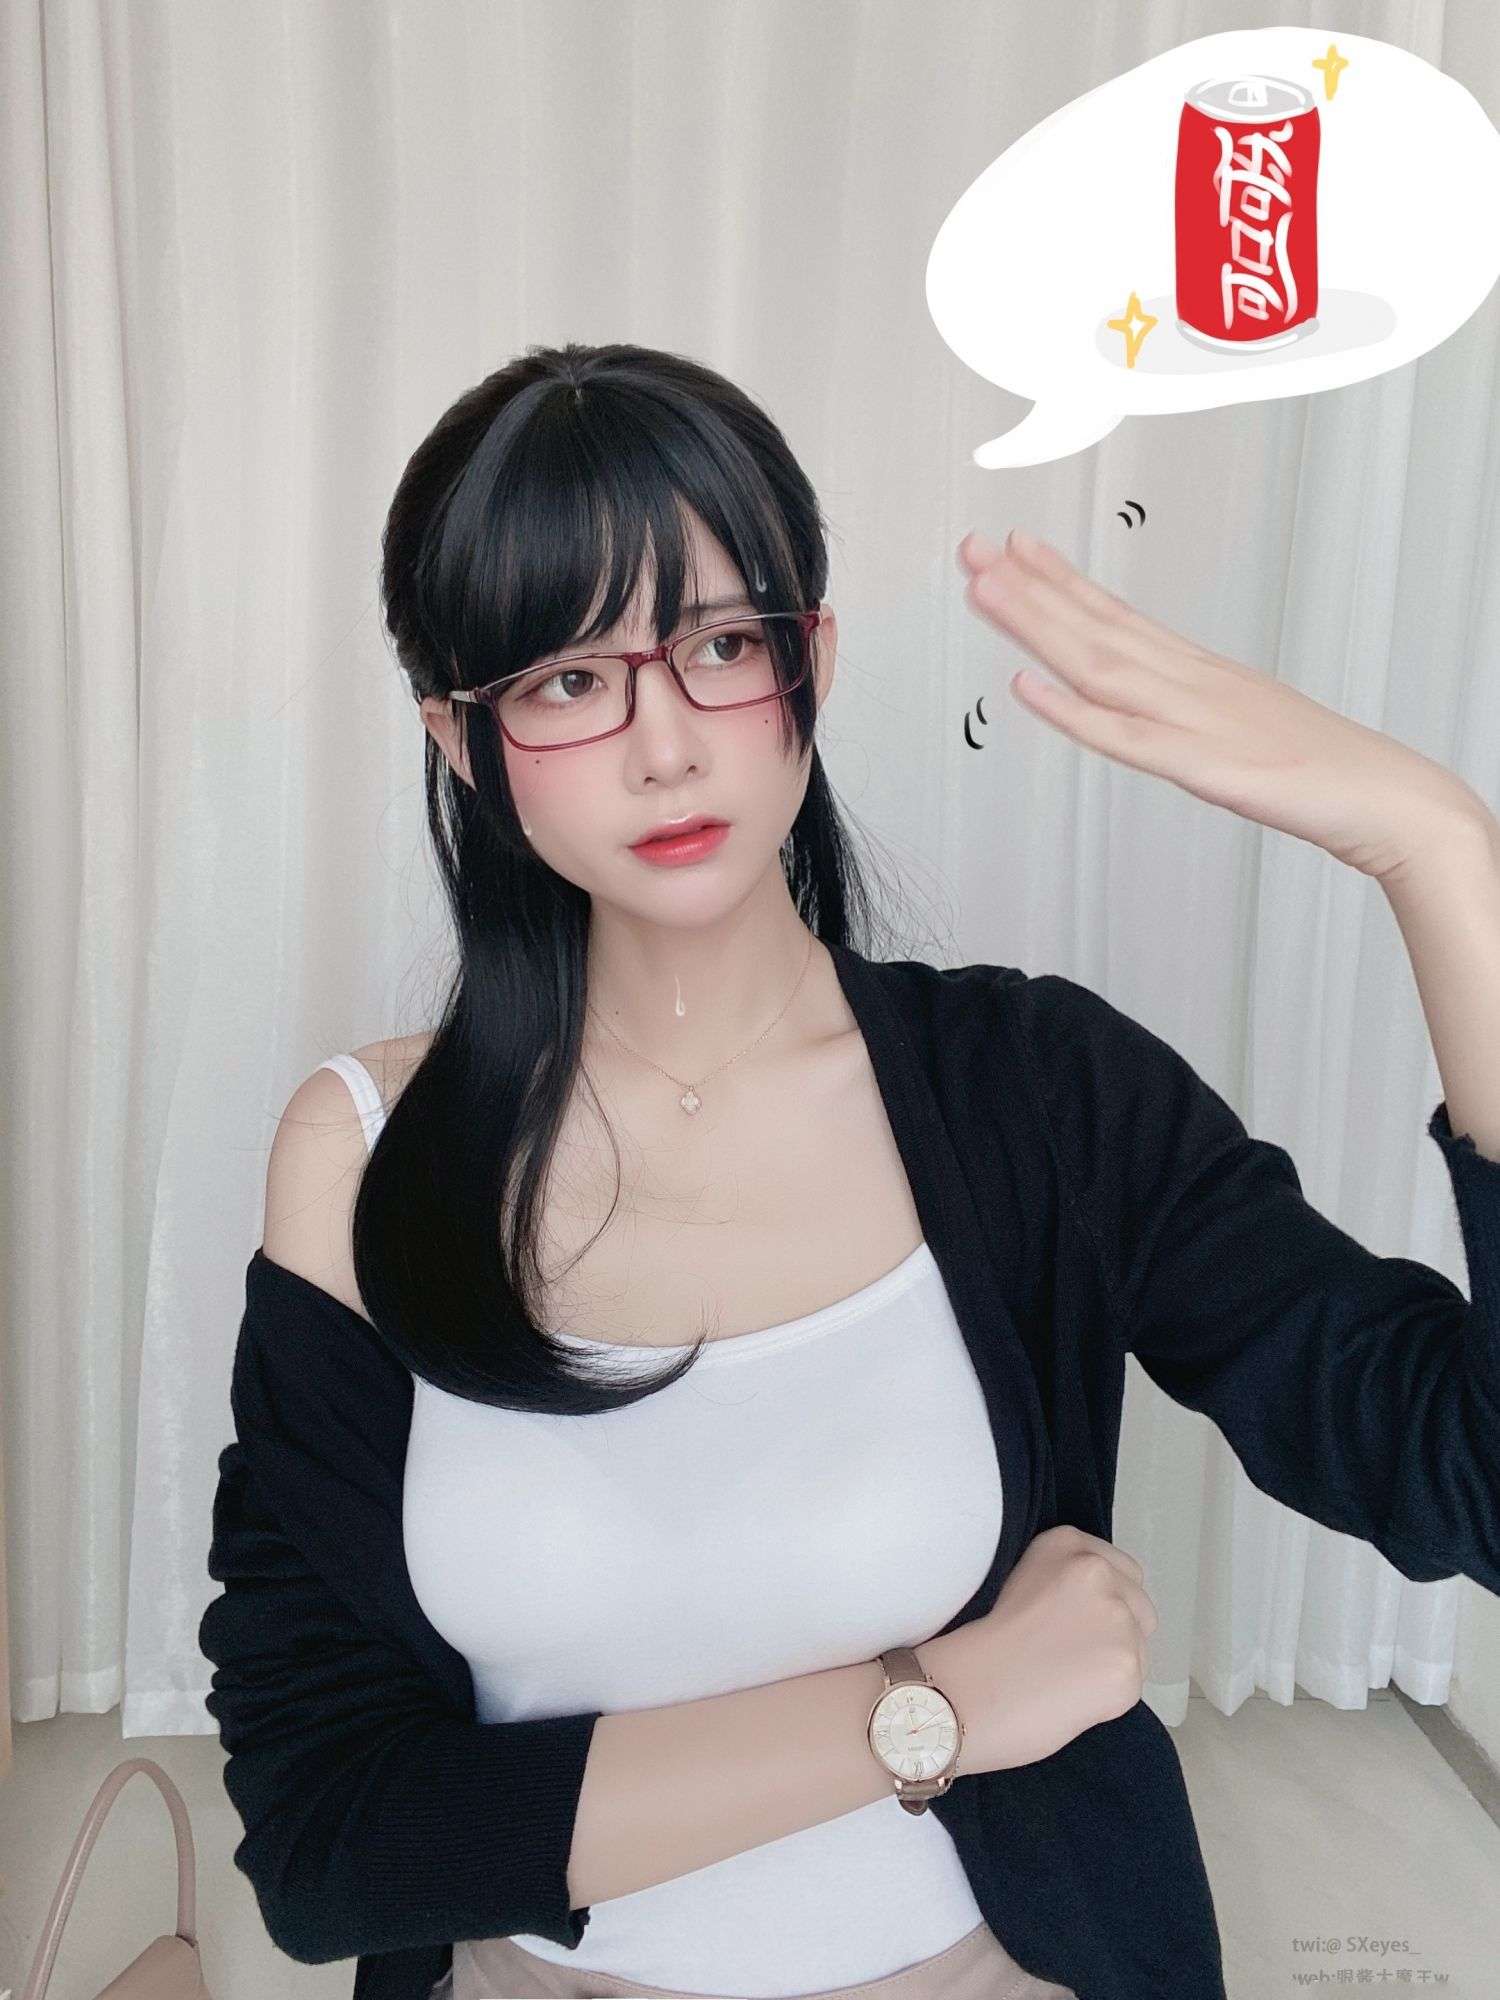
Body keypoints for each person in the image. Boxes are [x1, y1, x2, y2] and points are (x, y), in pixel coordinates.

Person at [200, 340, 1500, 2000]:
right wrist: (935, 1708)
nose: (666, 749)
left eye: (718, 647)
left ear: (810, 658)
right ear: (464, 741)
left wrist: (1435, 846)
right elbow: (327, 1837)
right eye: (570, 681)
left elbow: (1472, 1475)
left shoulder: (1038, 1093)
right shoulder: (365, 1153)